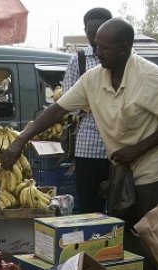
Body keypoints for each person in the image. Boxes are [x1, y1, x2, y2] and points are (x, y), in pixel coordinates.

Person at [2, 18, 158, 261]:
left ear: (124, 48)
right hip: (124, 166)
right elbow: (57, 110)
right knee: (122, 228)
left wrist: (138, 149)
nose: (96, 51)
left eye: (104, 47)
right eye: (96, 45)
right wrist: (22, 139)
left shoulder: (150, 77)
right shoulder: (93, 78)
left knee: (152, 232)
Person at [64, 8, 113, 214]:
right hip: (89, 145)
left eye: (100, 32)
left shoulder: (125, 57)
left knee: (121, 204)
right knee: (89, 207)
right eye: (90, 32)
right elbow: (68, 102)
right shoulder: (80, 60)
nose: (94, 38)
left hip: (121, 148)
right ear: (85, 31)